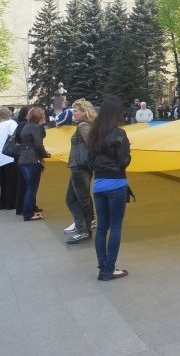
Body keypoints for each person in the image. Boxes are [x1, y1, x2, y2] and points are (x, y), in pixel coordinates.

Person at [87, 96, 132, 280]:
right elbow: (123, 160)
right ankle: (110, 268)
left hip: (98, 184)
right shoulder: (119, 133)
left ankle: (102, 266)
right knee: (115, 227)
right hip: (116, 183)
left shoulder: (93, 133)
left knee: (102, 228)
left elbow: (90, 161)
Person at [65, 99, 96, 244]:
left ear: (84, 112)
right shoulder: (85, 125)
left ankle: (84, 229)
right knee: (73, 198)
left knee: (80, 199)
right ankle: (83, 227)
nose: (73, 113)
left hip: (80, 167)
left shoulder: (84, 125)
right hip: (79, 166)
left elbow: (92, 145)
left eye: (75, 110)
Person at [18, 107, 51, 221]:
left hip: (23, 159)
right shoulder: (37, 128)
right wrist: (46, 154)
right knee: (32, 188)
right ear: (40, 117)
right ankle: (28, 214)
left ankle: (30, 209)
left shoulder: (26, 126)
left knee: (29, 187)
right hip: (32, 159)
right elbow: (38, 145)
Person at [0, 106, 18, 210]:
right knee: (12, 181)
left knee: (3, 181)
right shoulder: (11, 123)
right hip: (9, 156)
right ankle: (11, 203)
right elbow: (16, 135)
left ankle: (3, 203)